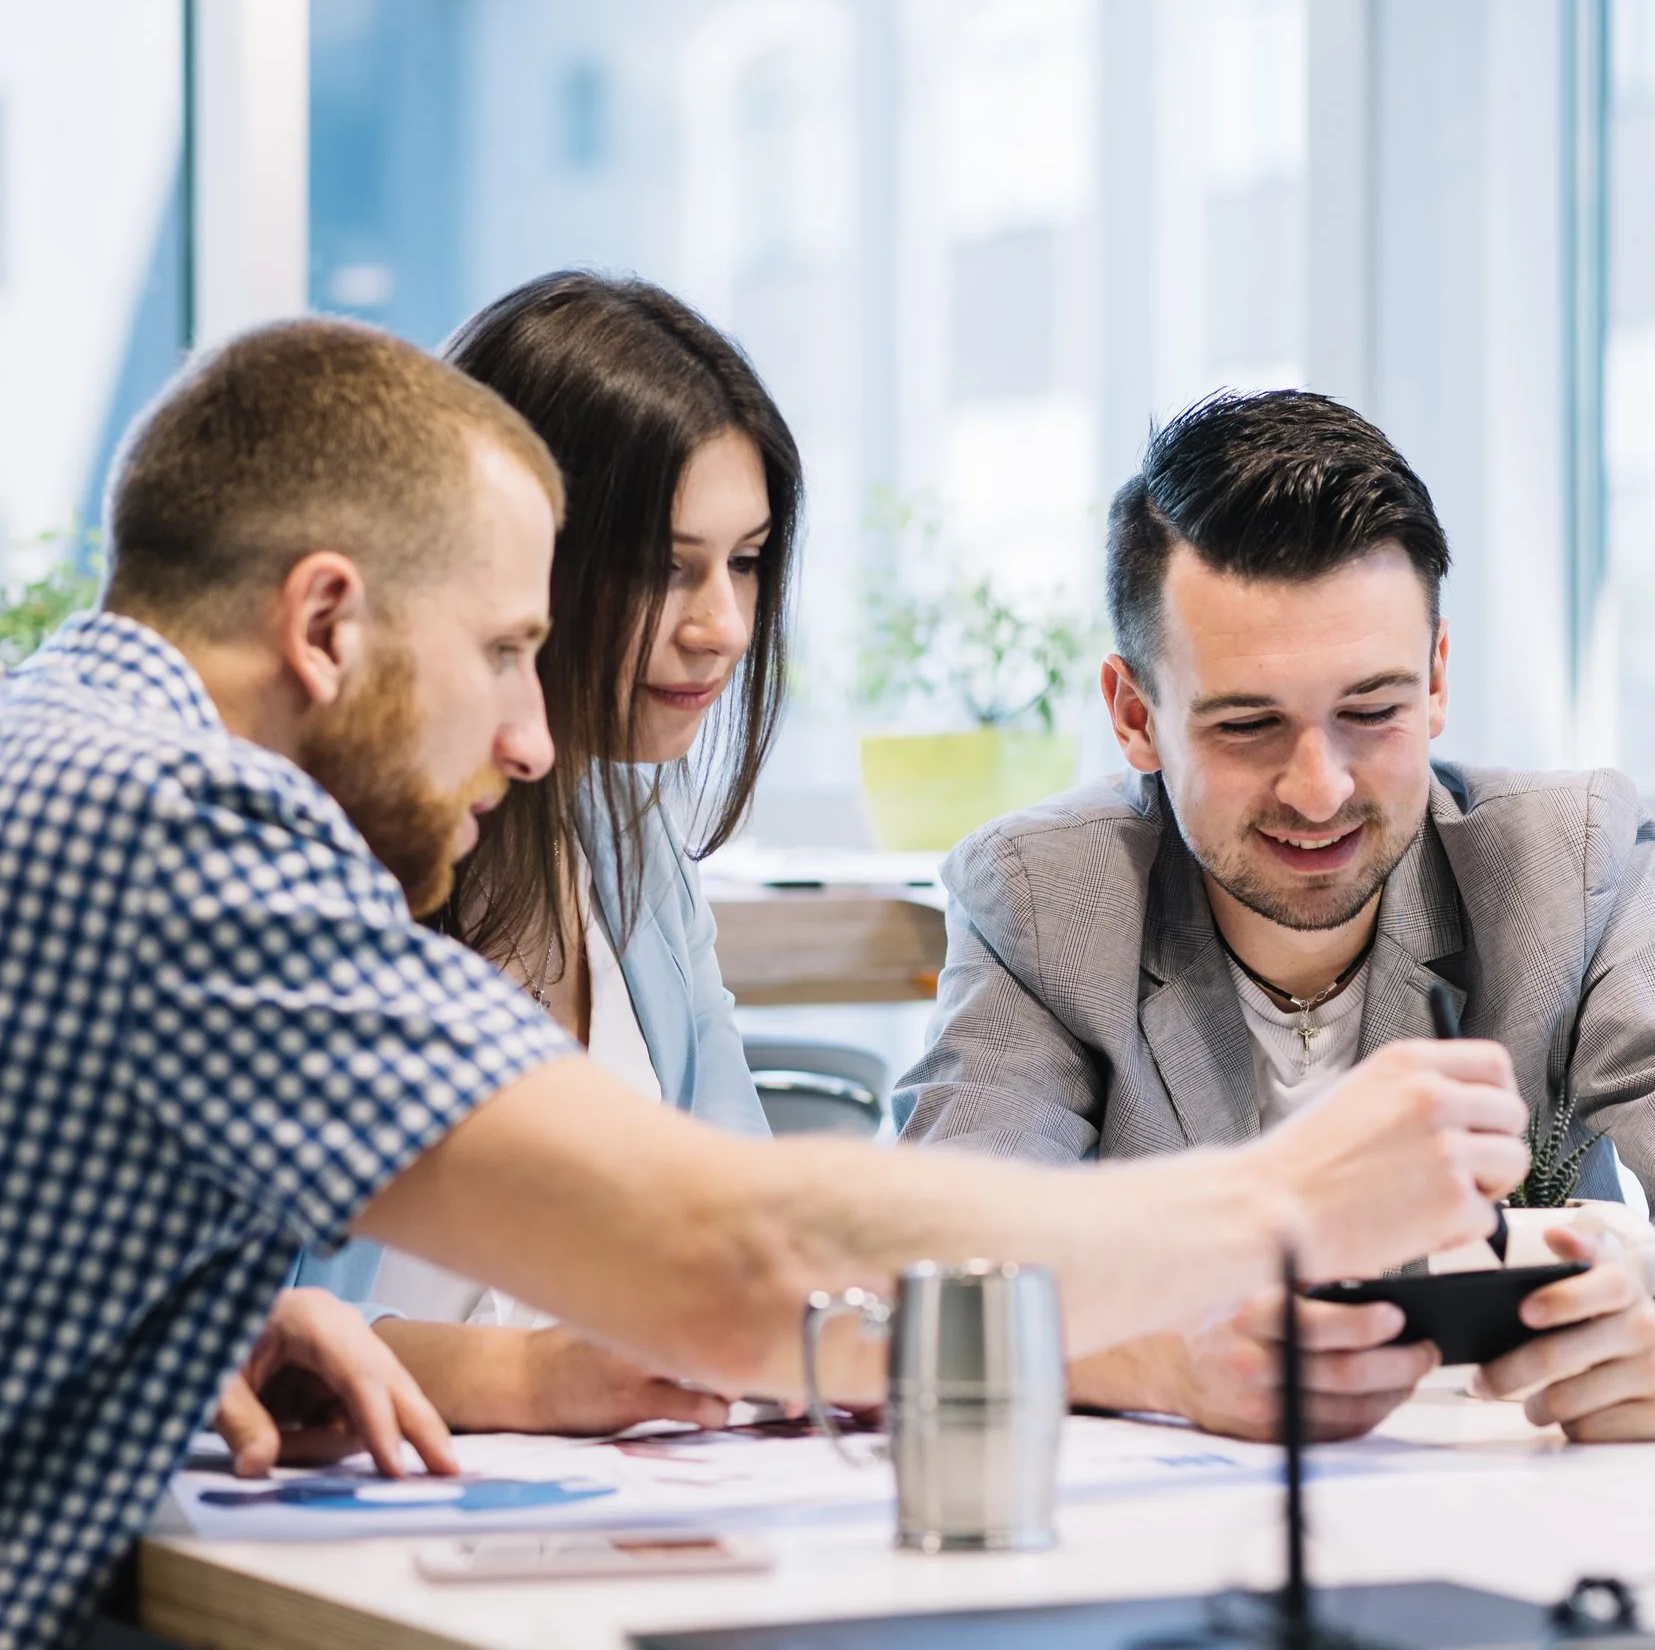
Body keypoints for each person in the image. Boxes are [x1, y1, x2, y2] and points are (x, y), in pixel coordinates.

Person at [0, 320, 1528, 1650]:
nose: (535, 738)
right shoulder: (182, 815)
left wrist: (213, 1321)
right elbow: (734, 1252)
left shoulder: (64, 752)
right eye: (506, 651)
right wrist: (1280, 1204)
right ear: (326, 623)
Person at [900, 390, 1655, 1445]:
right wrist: (1165, 1363)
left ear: (1434, 680)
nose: (1320, 788)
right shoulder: (1041, 901)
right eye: (1249, 724)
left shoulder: (1566, 863)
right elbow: (937, 1283)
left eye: (1371, 712)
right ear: (1133, 715)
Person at [293, 273, 807, 1440]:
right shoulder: (311, 860)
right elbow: (213, 1323)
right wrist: (523, 1380)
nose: (721, 624)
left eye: (748, 559)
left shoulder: (631, 846)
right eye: (664, 566)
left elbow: (752, 1225)